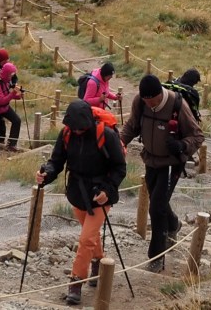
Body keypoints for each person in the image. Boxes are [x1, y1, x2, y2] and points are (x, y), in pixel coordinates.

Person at [37, 99, 126, 305]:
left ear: (88, 122)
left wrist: (107, 189)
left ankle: (76, 282)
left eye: (80, 128)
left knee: (86, 239)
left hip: (100, 196)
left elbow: (120, 168)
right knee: (90, 234)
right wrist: (46, 174)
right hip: (77, 193)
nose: (76, 131)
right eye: (73, 127)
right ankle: (97, 261)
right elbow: (56, 162)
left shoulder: (107, 135)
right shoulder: (67, 134)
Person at [119, 74, 203, 272]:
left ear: (160, 94)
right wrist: (120, 143)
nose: (150, 105)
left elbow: (198, 135)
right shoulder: (140, 102)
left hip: (171, 163)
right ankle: (173, 224)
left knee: (156, 207)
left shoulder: (177, 105)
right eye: (146, 101)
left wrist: (182, 145)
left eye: (153, 101)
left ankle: (157, 256)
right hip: (150, 159)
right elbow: (132, 126)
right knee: (160, 202)